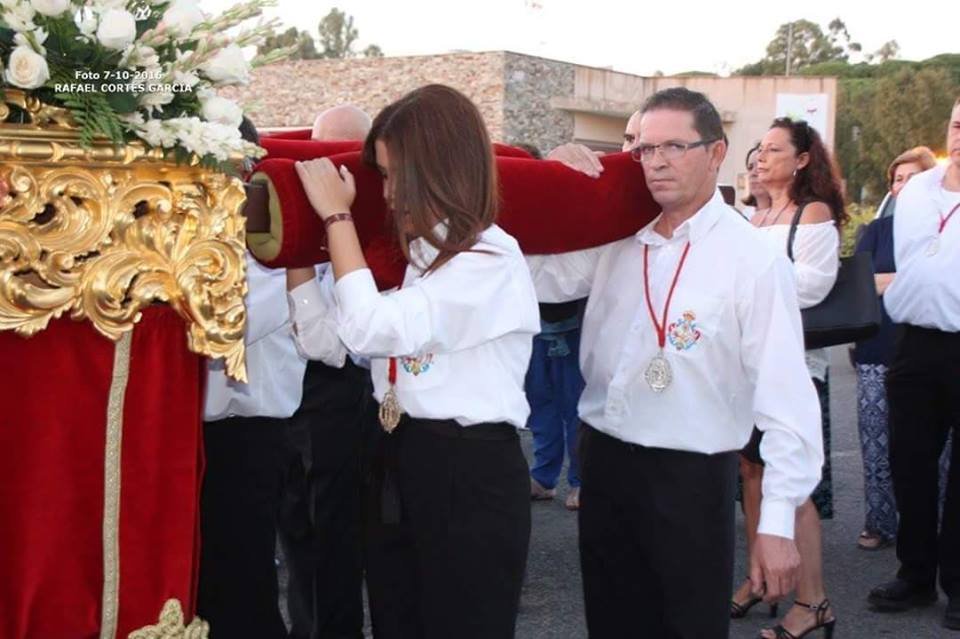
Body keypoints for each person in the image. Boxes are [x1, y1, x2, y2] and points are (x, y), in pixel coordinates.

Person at [528, 87, 823, 638]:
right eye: (642, 148)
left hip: (689, 478)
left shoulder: (752, 260)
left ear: (716, 152)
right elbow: (536, 278)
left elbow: (787, 399)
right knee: (613, 623)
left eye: (674, 147)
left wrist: (777, 521)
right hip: (606, 462)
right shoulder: (615, 237)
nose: (655, 161)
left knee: (685, 627)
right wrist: (553, 184)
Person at [285, 84, 539, 639]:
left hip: (466, 472)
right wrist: (298, 252)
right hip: (397, 455)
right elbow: (331, 343)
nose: (391, 192)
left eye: (399, 173)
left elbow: (372, 327)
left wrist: (335, 220)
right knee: (398, 623)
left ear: (442, 167)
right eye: (384, 174)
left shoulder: (489, 258)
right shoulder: (419, 258)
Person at [740, 117, 844, 639]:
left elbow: (814, 285)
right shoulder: (755, 216)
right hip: (748, 367)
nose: (761, 157)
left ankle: (813, 601)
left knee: (793, 483)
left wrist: (748, 275)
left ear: (802, 159)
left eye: (774, 149)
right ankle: (761, 576)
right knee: (751, 475)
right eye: (758, 149)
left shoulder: (813, 213)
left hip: (796, 365)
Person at [198, 118, 302, 639]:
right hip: (196, 432)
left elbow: (230, 324)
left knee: (244, 580)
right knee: (203, 579)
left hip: (250, 431)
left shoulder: (269, 232)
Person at [279, 103, 377, 639]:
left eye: (342, 152)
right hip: (298, 400)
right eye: (318, 151)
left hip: (358, 391)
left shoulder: (382, 223)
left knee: (350, 537)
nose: (328, 163)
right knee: (305, 534)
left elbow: (334, 343)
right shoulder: (287, 209)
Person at [869, 97, 960, 632]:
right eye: (955, 123)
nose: (959, 135)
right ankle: (916, 573)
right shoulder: (921, 189)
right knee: (911, 466)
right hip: (914, 345)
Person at [852, 146, 937, 552]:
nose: (902, 187)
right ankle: (880, 523)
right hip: (877, 349)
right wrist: (916, 278)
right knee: (877, 445)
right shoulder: (876, 231)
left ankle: (932, 530)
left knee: (934, 452)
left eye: (912, 179)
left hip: (930, 350)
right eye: (897, 180)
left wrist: (893, 280)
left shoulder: (941, 228)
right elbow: (860, 284)